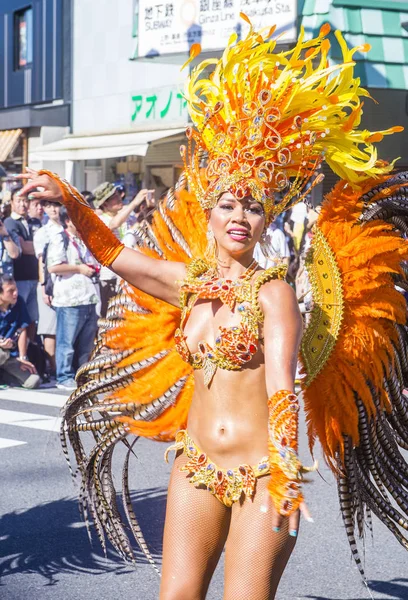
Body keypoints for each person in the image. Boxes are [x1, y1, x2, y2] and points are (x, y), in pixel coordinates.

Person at [15, 18, 408, 600]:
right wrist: (70, 197)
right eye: (228, 204)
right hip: (194, 468)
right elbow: (117, 255)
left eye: (252, 207)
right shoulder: (189, 284)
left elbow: (281, 387)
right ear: (211, 212)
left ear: (266, 218)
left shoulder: (273, 292)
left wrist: (286, 473)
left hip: (260, 478)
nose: (239, 216)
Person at [46, 207, 99, 390]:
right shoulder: (60, 238)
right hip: (69, 298)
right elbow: (53, 266)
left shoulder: (83, 239)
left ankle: (82, 374)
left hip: (88, 296)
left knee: (86, 342)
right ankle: (64, 376)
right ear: (68, 220)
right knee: (66, 341)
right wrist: (79, 269)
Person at [92, 182, 153, 316]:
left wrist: (149, 208)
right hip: (110, 276)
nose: (119, 198)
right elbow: (113, 224)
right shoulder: (99, 219)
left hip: (129, 275)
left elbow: (140, 228)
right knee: (110, 317)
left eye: (118, 194)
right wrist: (134, 203)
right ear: (105, 204)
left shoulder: (127, 218)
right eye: (114, 197)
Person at [33, 200, 64, 378]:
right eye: (49, 206)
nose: (53, 209)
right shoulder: (43, 232)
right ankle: (53, 369)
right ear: (44, 208)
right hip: (49, 284)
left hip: (66, 285)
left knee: (63, 328)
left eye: (56, 205)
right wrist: (44, 287)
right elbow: (41, 261)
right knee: (50, 329)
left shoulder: (65, 227)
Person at [4, 189, 39, 332]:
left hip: (35, 277)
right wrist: (37, 246)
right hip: (19, 278)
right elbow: (21, 249)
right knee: (20, 319)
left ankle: (31, 350)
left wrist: (31, 246)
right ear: (12, 203)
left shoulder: (35, 221)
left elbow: (45, 245)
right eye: (19, 200)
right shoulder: (10, 222)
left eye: (25, 200)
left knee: (33, 319)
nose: (23, 204)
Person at [0, 274, 40, 389]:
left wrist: (23, 358)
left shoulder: (19, 302)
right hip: (2, 352)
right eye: (10, 291)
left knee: (33, 381)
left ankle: (4, 376)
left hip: (10, 355)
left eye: (16, 289)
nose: (15, 293)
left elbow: (22, 329)